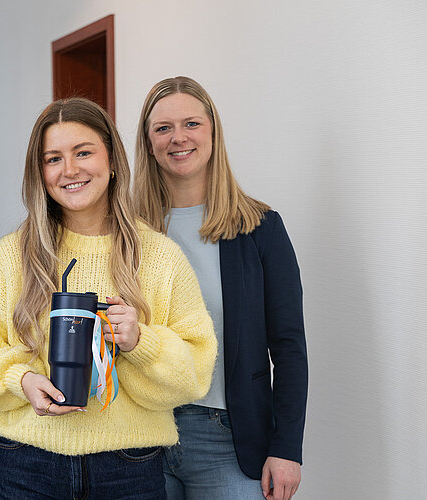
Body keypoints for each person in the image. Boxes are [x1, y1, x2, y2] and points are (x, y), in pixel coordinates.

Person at [0, 97, 217, 499]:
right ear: (40, 173)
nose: (70, 170)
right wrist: (21, 380)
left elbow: (196, 371)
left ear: (111, 161)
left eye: (83, 152)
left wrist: (140, 342)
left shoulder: (160, 256)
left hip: (129, 468)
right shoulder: (11, 255)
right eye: (53, 159)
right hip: (26, 463)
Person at [132, 76, 308, 500]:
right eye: (163, 128)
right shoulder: (127, 232)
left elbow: (288, 347)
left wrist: (286, 449)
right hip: (140, 436)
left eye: (191, 124)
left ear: (213, 132)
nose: (178, 138)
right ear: (149, 142)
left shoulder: (260, 228)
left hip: (229, 441)